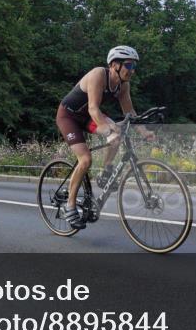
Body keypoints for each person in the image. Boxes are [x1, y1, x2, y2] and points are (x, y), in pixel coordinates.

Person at [55, 46, 152, 229]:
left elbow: (129, 112)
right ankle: (70, 206)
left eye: (134, 66)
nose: (132, 70)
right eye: (129, 65)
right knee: (85, 159)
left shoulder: (123, 85)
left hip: (89, 117)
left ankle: (105, 172)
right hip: (69, 116)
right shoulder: (98, 75)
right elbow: (93, 108)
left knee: (118, 132)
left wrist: (144, 131)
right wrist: (108, 131)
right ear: (114, 64)